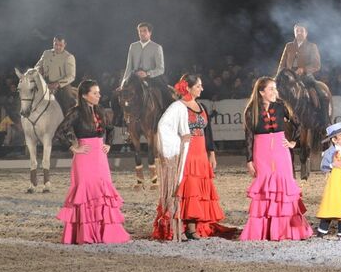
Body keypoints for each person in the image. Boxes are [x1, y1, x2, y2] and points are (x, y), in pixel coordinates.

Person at [56, 79, 130, 245]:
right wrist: (73, 148)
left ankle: (105, 233)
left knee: (102, 193)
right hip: (84, 158)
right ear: (84, 95)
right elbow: (60, 132)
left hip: (100, 158)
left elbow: (110, 129)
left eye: (99, 92)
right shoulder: (76, 112)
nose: (99, 95)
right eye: (95, 93)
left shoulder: (100, 110)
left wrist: (108, 144)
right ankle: (85, 234)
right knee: (84, 195)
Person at [153, 74, 226, 241]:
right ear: (188, 88)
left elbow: (208, 132)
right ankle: (181, 227)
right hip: (187, 152)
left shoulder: (201, 106)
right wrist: (179, 139)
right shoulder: (177, 107)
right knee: (185, 189)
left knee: (196, 191)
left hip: (200, 154)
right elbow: (163, 126)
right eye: (198, 86)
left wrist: (211, 153)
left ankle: (192, 227)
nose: (202, 89)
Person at [239, 77, 313, 241]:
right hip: (261, 152)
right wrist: (249, 160)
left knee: (283, 186)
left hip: (281, 150)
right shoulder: (251, 110)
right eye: (271, 89)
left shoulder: (281, 106)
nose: (275, 92)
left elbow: (298, 123)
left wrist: (293, 142)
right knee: (265, 188)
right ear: (261, 92)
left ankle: (286, 229)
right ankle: (263, 231)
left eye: (275, 88)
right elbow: (249, 136)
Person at [276, 23, 326, 112]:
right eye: (297, 31)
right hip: (289, 77)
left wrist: (304, 69)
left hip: (306, 77)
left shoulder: (312, 46)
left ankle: (323, 116)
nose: (299, 33)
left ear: (306, 33)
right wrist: (278, 77)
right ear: (294, 33)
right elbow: (282, 64)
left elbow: (316, 64)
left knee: (320, 94)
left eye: (301, 31)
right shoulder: (289, 46)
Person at [120, 22, 169, 109]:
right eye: (140, 31)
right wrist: (123, 82)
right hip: (134, 77)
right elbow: (129, 67)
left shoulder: (157, 47)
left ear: (150, 33)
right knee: (118, 96)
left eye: (144, 31)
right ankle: (119, 116)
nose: (142, 33)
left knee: (166, 94)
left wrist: (147, 73)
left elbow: (161, 69)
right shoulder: (133, 46)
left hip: (152, 78)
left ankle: (167, 113)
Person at [35, 35, 77, 115]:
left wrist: (58, 84)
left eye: (60, 45)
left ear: (65, 45)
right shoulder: (46, 53)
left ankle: (68, 117)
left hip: (61, 86)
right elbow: (37, 66)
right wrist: (38, 69)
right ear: (53, 43)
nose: (57, 47)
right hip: (45, 83)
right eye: (56, 44)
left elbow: (71, 76)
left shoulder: (68, 57)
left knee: (67, 102)